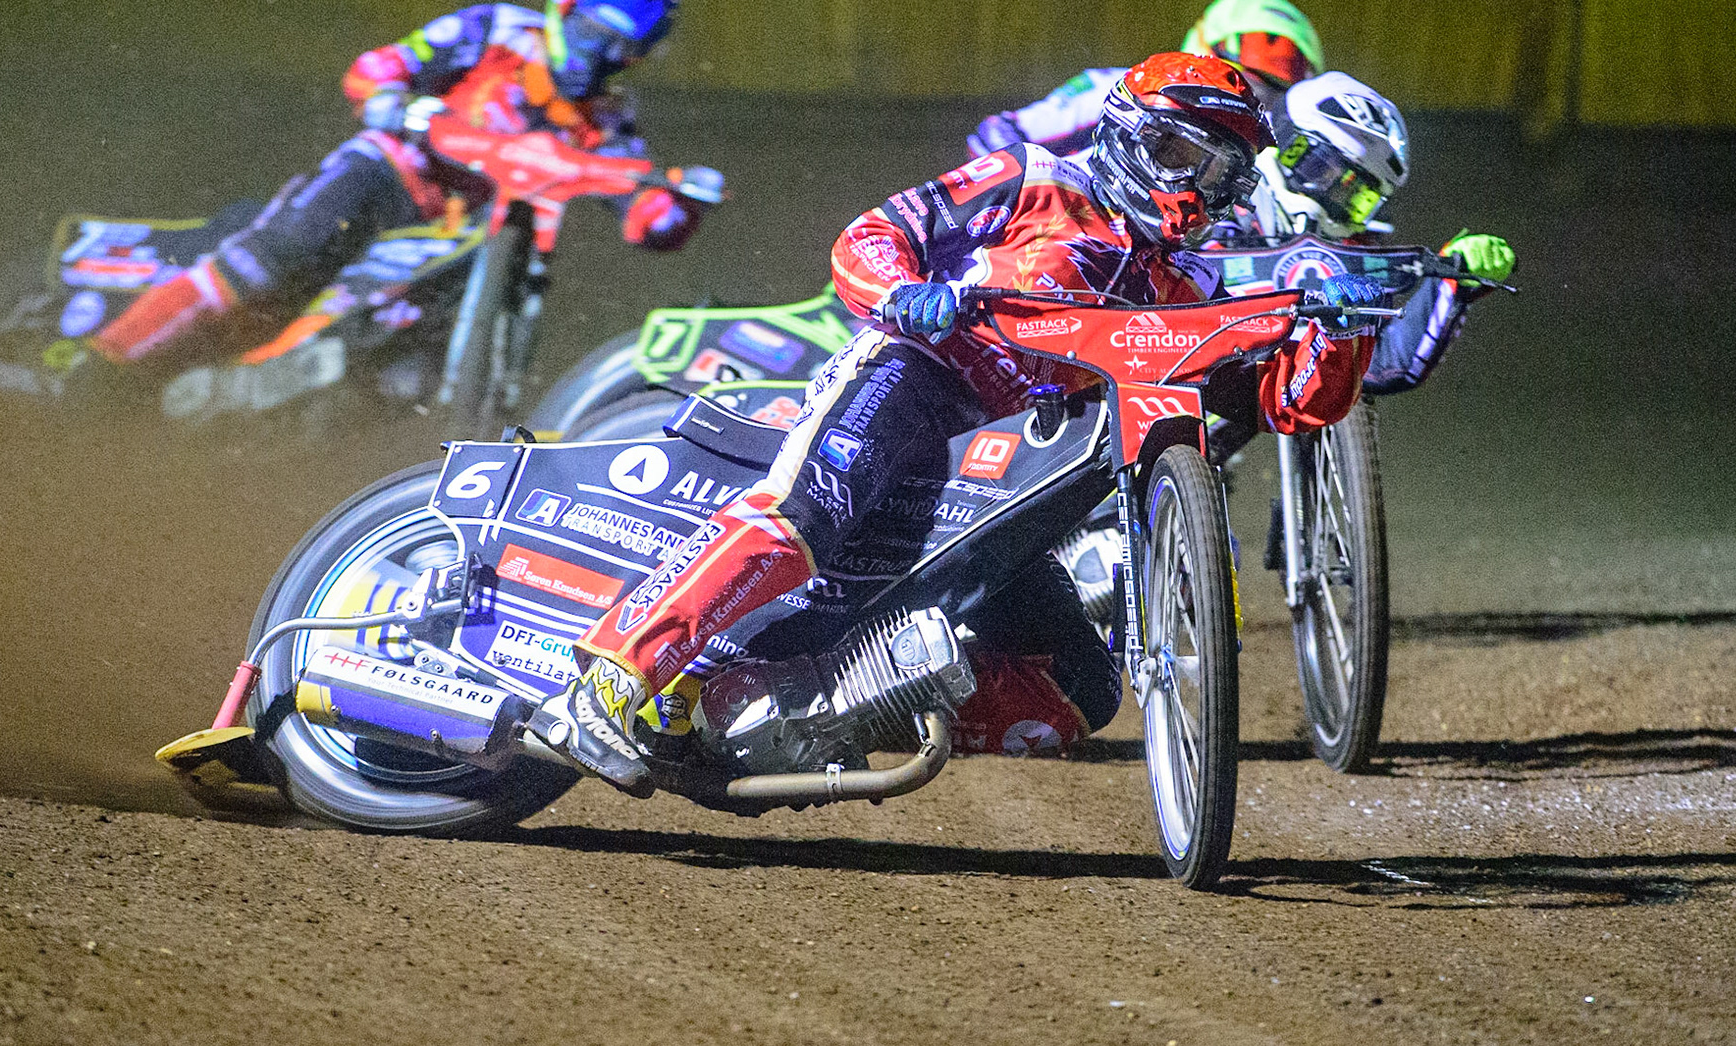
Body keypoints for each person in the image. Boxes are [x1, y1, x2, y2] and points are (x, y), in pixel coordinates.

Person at [531, 52, 1384, 795]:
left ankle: (793, 710)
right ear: (1126, 135)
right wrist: (905, 292)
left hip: (997, 467)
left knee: (1077, 693)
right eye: (1176, 154)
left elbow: (1290, 404)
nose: (1191, 189)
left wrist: (1342, 331)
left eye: (1218, 175)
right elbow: (875, 233)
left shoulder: (1182, 287)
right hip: (914, 371)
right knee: (808, 514)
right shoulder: (1032, 178)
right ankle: (607, 681)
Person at [89, 0, 710, 364]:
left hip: (466, 240)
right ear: (564, 5)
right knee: (279, 254)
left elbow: (636, 204)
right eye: (595, 38)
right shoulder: (493, 30)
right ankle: (106, 362)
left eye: (624, 52)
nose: (601, 63)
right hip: (394, 175)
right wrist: (404, 106)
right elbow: (372, 71)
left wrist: (677, 205)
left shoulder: (606, 116)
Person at [1238, 70, 1515, 400]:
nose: (1332, 198)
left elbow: (1384, 366)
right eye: (1322, 170)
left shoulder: (1352, 253)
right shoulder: (1218, 203)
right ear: (1287, 143)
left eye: (1356, 197)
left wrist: (1449, 283)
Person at [966, 0, 1324, 159]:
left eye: (1289, 66)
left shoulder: (1275, 158)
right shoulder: (1121, 88)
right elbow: (994, 139)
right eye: (1260, 50)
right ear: (1206, 43)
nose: (1260, 83)